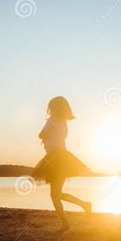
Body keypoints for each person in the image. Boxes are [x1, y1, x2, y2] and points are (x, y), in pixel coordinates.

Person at [31, 96, 92, 231]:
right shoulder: (64, 121)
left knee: (55, 195)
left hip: (55, 158)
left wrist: (45, 136)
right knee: (56, 194)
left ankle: (68, 221)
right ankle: (83, 205)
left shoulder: (52, 120)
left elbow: (40, 135)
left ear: (54, 108)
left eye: (51, 107)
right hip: (63, 157)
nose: (50, 109)